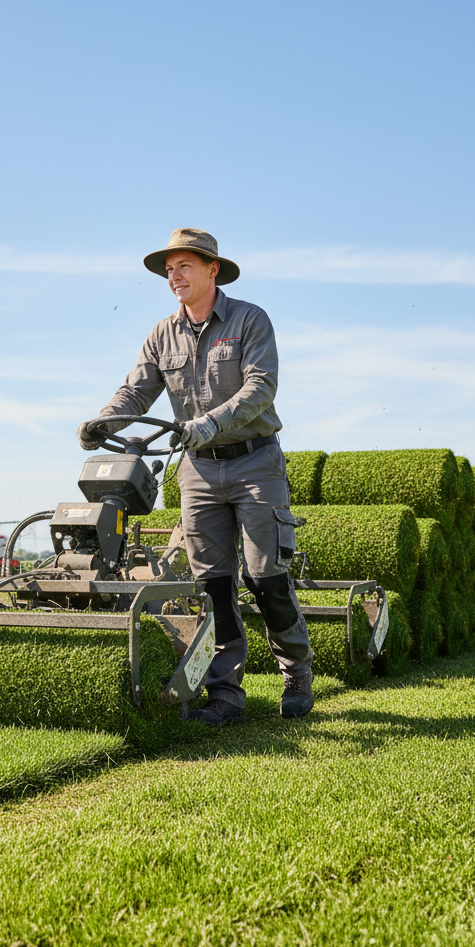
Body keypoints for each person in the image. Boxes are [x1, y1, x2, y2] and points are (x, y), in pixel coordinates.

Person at [78, 228, 314, 725]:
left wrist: (207, 423)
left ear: (212, 269)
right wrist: (103, 421)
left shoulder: (250, 320)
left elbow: (260, 388)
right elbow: (134, 393)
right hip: (198, 470)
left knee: (265, 574)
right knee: (213, 584)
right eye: (168, 270)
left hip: (254, 462)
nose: (174, 276)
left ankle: (296, 670)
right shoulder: (161, 334)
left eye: (183, 266)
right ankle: (225, 694)